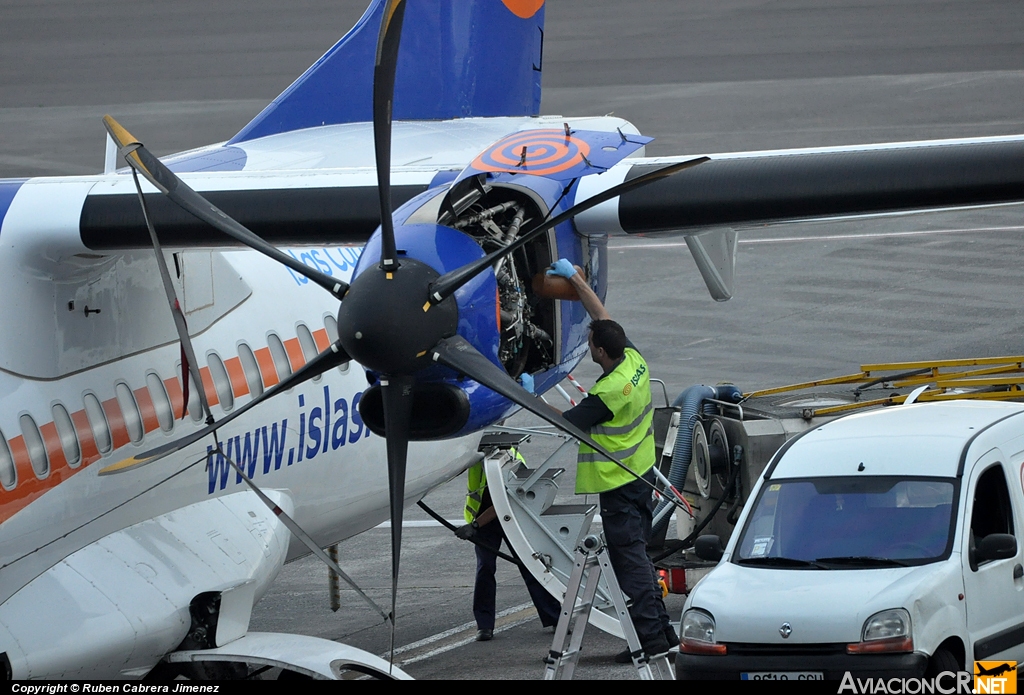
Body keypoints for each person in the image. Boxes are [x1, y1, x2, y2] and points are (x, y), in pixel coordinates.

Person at [546, 258, 677, 661]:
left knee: (631, 566)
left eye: (590, 347)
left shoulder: (607, 393)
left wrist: (523, 392)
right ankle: (664, 635)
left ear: (601, 352)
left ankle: (652, 641)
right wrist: (576, 281)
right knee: (641, 557)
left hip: (618, 488)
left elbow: (564, 423)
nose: (589, 350)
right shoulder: (634, 363)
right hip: (640, 477)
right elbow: (603, 316)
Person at [455, 447, 562, 641]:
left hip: (508, 518)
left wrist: (475, 525)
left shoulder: (510, 457)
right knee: (485, 569)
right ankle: (484, 625)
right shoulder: (476, 456)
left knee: (530, 566)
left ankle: (555, 618)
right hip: (482, 520)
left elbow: (502, 502)